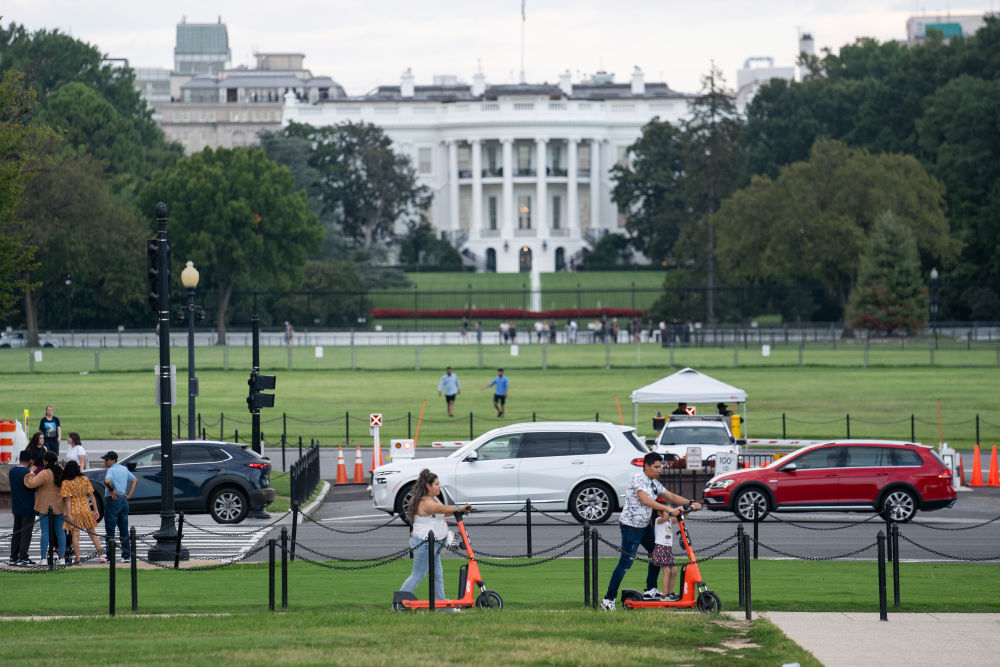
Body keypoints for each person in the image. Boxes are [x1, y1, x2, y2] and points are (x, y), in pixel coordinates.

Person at [601, 452, 701, 610]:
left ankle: (650, 590)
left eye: (660, 467)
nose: (659, 470)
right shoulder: (639, 479)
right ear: (646, 466)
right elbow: (644, 499)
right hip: (631, 527)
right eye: (656, 467)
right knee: (625, 563)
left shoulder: (653, 482)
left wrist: (691, 502)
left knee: (656, 555)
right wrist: (667, 508)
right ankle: (608, 600)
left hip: (645, 527)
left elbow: (671, 495)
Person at [399, 469, 471, 605]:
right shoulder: (425, 502)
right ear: (428, 486)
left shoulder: (433, 499)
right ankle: (399, 602)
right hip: (424, 544)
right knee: (418, 574)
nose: (439, 486)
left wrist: (459, 510)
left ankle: (440, 603)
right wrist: (458, 508)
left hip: (434, 543)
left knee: (438, 574)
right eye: (437, 484)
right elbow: (439, 509)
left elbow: (443, 513)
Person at [24, 451, 66, 565]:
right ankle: (62, 557)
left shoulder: (45, 473)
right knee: (60, 532)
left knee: (45, 532)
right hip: (59, 505)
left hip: (45, 506)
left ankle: (43, 558)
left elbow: (31, 483)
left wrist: (31, 473)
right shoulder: (61, 471)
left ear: (45, 461)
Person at [60, 460, 103, 565]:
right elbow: (91, 495)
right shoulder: (84, 478)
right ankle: (101, 555)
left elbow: (68, 499)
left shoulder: (66, 482)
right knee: (93, 533)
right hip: (85, 508)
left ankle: (78, 559)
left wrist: (69, 514)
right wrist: (96, 510)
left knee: (75, 535)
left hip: (74, 510)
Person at [101, 451, 137, 561]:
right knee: (124, 529)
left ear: (113, 460)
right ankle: (126, 556)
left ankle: (110, 556)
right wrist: (129, 495)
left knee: (110, 529)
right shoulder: (124, 469)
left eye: (107, 460)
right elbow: (134, 480)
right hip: (123, 499)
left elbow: (106, 481)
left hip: (113, 499)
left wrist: (111, 489)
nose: (105, 462)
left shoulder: (111, 470)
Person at [7, 449, 37, 566]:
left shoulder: (12, 471)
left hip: (16, 505)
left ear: (19, 459)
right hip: (28, 506)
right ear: (30, 460)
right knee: (26, 533)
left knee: (16, 532)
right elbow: (32, 485)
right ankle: (23, 556)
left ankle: (13, 556)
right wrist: (32, 472)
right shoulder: (27, 473)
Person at [651, 508, 680, 601]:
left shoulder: (669, 521)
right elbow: (665, 518)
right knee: (667, 571)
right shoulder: (658, 520)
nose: (669, 513)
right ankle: (664, 594)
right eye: (666, 511)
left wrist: (688, 510)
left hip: (668, 549)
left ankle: (670, 593)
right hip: (661, 548)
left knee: (674, 571)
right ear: (659, 512)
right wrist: (673, 511)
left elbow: (681, 518)